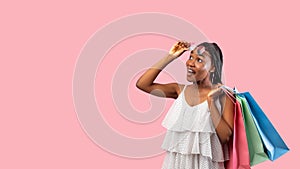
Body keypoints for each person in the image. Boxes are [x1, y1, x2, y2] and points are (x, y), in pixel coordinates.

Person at [136, 41, 234, 169]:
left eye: (199, 60)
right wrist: (171, 56)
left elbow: (226, 136)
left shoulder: (222, 95)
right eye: (190, 57)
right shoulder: (180, 90)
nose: (190, 63)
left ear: (213, 67)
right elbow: (143, 84)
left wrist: (211, 102)